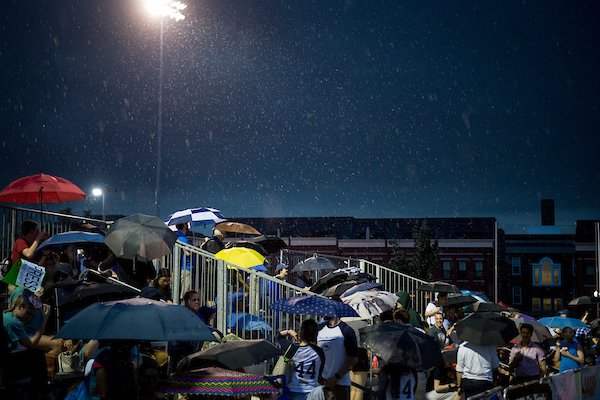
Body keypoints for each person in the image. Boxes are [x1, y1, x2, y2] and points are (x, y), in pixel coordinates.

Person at [282, 319, 325, 400]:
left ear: (301, 332)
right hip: (312, 392)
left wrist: (290, 332)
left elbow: (279, 337)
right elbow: (320, 372)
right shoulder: (319, 352)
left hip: (293, 390)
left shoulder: (293, 349)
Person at [317, 316, 359, 400]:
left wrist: (336, 377)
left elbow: (353, 359)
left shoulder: (346, 330)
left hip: (340, 383)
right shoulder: (319, 329)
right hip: (321, 382)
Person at [175, 223, 192, 298]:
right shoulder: (183, 238)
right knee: (185, 290)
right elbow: (188, 253)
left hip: (181, 267)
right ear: (185, 225)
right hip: (186, 267)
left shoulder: (176, 236)